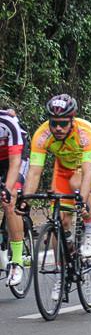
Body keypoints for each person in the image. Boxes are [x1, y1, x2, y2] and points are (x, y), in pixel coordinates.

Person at [20, 95, 91, 299]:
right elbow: (34, 172)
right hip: (64, 169)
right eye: (54, 124)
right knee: (58, 223)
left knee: (77, 184)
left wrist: (81, 200)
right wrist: (25, 200)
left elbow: (86, 174)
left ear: (72, 121)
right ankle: (61, 273)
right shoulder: (42, 135)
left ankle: (90, 229)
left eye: (62, 124)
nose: (57, 128)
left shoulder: (85, 133)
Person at [0, 108, 29, 286]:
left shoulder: (7, 123)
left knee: (8, 201)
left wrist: (8, 189)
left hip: (16, 158)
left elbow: (15, 162)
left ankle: (17, 262)